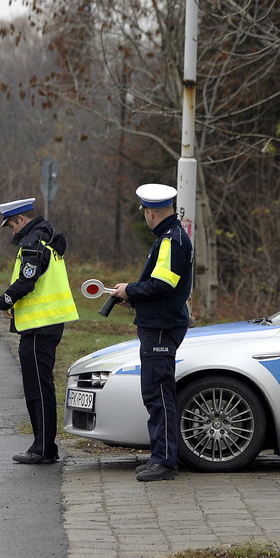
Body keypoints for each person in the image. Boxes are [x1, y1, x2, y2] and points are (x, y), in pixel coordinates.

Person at [108, 184, 194, 482]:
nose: (145, 216)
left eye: (145, 212)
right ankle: (161, 457)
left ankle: (165, 463)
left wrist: (130, 289)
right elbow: (160, 284)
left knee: (158, 394)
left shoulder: (171, 241)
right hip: (161, 323)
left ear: (151, 212)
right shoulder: (170, 238)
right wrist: (132, 295)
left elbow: (162, 286)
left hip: (161, 327)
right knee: (156, 394)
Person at [0, 197, 79, 465]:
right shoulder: (48, 237)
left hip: (39, 326)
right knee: (41, 386)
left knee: (37, 389)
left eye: (11, 226)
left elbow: (28, 278)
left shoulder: (33, 241)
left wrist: (6, 300)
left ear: (21, 219)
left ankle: (43, 448)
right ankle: (44, 445)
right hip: (46, 323)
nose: (12, 232)